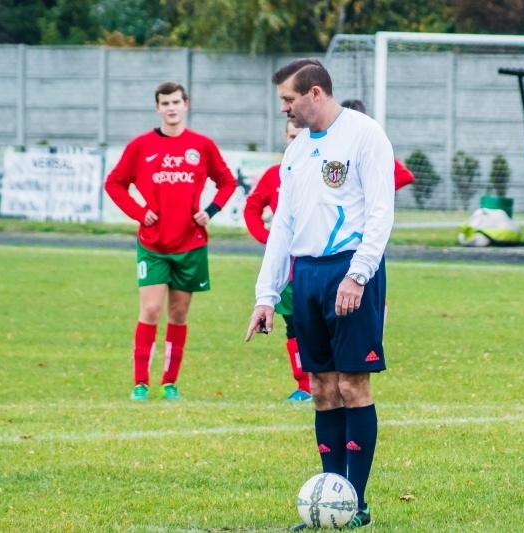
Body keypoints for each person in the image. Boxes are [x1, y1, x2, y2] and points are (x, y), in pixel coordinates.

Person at [245, 58, 395, 530]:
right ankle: (331, 502)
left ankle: (358, 503)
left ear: (314, 93)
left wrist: (359, 274)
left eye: (288, 100)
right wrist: (266, 295)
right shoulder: (295, 153)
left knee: (353, 385)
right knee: (321, 388)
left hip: (349, 270)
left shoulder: (365, 135)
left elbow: (380, 212)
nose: (283, 109)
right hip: (306, 275)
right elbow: (283, 227)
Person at [105, 81, 235, 401]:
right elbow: (114, 183)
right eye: (165, 103)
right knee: (150, 309)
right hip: (153, 244)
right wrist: (139, 212)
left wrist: (211, 210)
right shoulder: (141, 146)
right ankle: (140, 383)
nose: (171, 108)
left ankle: (169, 382)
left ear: (186, 104)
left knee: (178, 315)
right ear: (158, 108)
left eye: (176, 102)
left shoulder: (202, 146)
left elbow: (227, 182)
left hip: (190, 243)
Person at [244, 119, 312, 402]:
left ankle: (328, 384)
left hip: (318, 265)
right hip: (287, 270)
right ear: (285, 137)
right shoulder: (275, 175)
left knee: (321, 327)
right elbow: (252, 208)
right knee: (294, 326)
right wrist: (266, 237)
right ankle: (303, 387)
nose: (296, 141)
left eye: (301, 136)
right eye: (291, 136)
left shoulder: (320, 171)